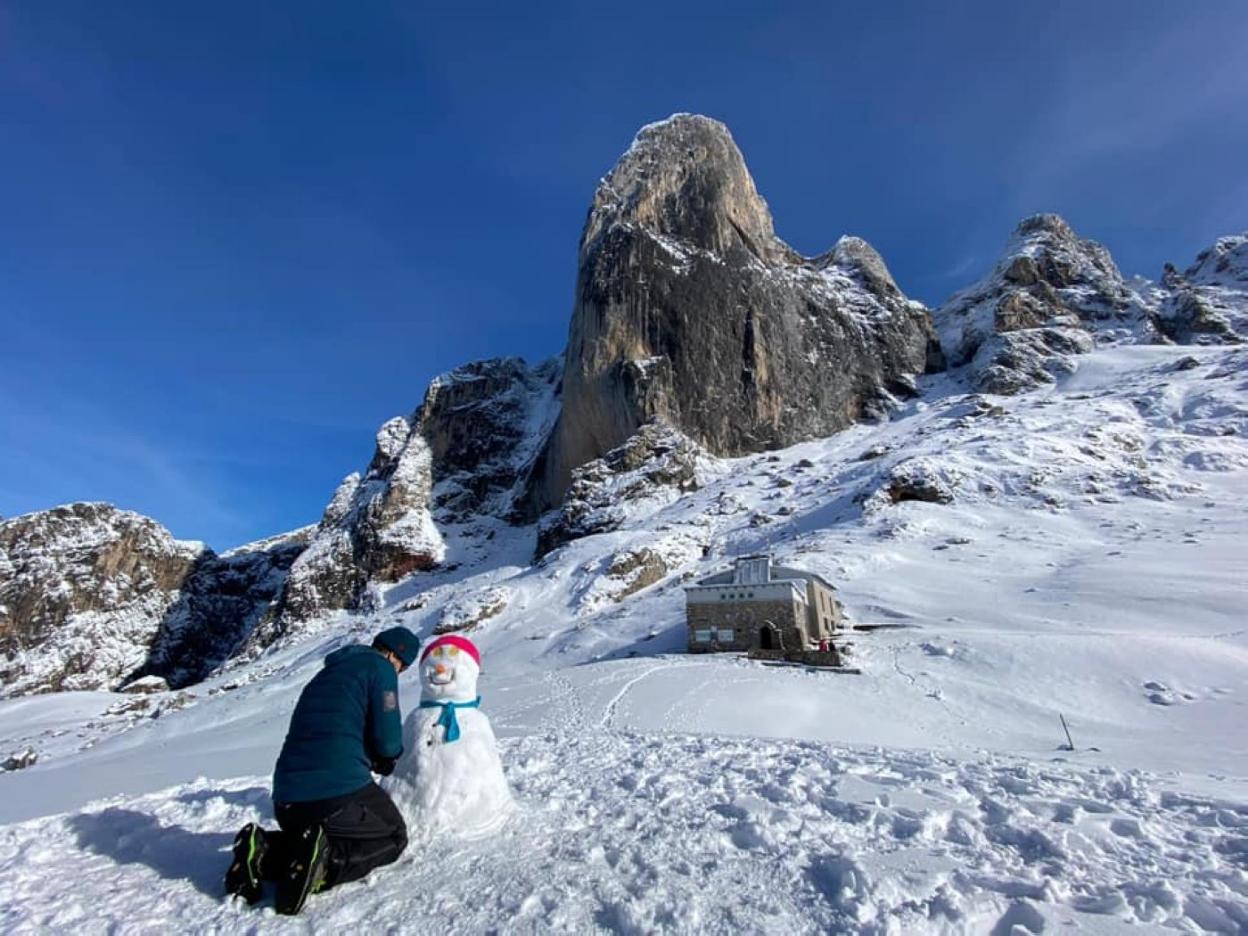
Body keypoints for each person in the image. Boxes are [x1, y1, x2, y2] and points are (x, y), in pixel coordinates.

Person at [224, 625, 420, 915]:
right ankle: (324, 867)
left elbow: (337, 726)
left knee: (310, 836)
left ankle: (262, 849)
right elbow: (388, 737)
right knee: (393, 835)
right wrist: (388, 756)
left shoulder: (325, 675)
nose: (399, 673)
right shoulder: (381, 669)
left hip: (287, 802)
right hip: (334, 794)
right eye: (402, 667)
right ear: (393, 655)